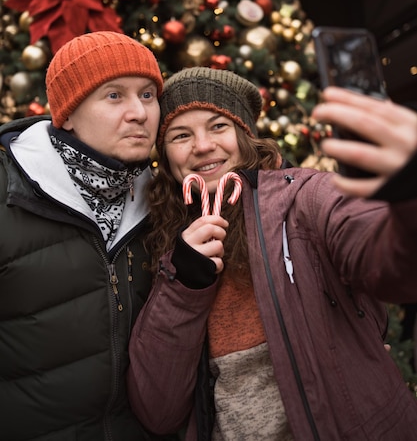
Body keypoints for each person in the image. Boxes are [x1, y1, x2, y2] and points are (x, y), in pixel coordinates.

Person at [127, 66, 417, 441]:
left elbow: (393, 266)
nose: (201, 146)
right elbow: (157, 411)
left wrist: (409, 196)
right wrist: (182, 284)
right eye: (181, 135)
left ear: (245, 135)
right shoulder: (164, 241)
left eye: (218, 126)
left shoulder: (306, 198)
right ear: (165, 156)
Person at [0, 31, 166, 441]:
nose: (139, 113)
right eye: (114, 96)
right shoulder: (10, 194)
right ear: (68, 114)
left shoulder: (166, 201)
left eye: (148, 95)